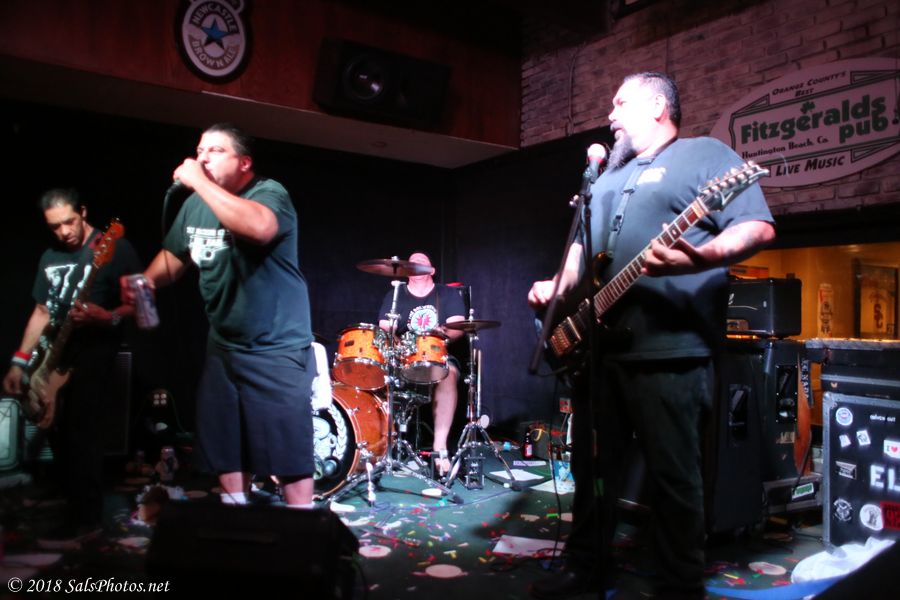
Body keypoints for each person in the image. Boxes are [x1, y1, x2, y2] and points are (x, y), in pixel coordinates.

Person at [528, 72, 776, 599]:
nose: (610, 115)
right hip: (600, 353)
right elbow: (581, 254)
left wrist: (702, 256)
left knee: (674, 477)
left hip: (671, 352)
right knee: (593, 470)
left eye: (620, 103)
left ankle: (679, 585)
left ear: (659, 106)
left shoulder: (704, 155)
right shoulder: (605, 179)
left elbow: (757, 226)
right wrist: (556, 286)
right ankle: (586, 567)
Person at [132, 123, 317, 508]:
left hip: (275, 345)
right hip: (224, 345)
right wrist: (146, 281)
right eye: (200, 151)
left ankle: (301, 521)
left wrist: (199, 182)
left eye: (215, 151)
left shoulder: (269, 193)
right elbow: (175, 256)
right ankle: (236, 513)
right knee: (226, 442)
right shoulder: (195, 205)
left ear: (244, 162)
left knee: (286, 450)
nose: (202, 158)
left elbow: (260, 228)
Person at [3, 188, 140, 544]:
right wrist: (19, 362)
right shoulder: (49, 256)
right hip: (54, 354)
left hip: (94, 350)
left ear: (83, 211)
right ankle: (70, 505)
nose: (64, 232)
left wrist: (105, 316)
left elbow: (141, 304)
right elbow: (41, 311)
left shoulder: (115, 247)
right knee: (58, 433)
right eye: (55, 226)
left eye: (69, 222)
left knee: (83, 432)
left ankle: (87, 519)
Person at [378, 252, 466, 476]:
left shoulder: (447, 293)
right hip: (403, 357)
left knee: (449, 373)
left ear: (432, 270)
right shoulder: (395, 294)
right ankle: (380, 445)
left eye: (422, 262)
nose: (416, 264)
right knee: (378, 373)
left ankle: (440, 447)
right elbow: (384, 326)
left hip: (439, 354)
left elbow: (458, 327)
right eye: (412, 262)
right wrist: (393, 335)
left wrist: (441, 331)